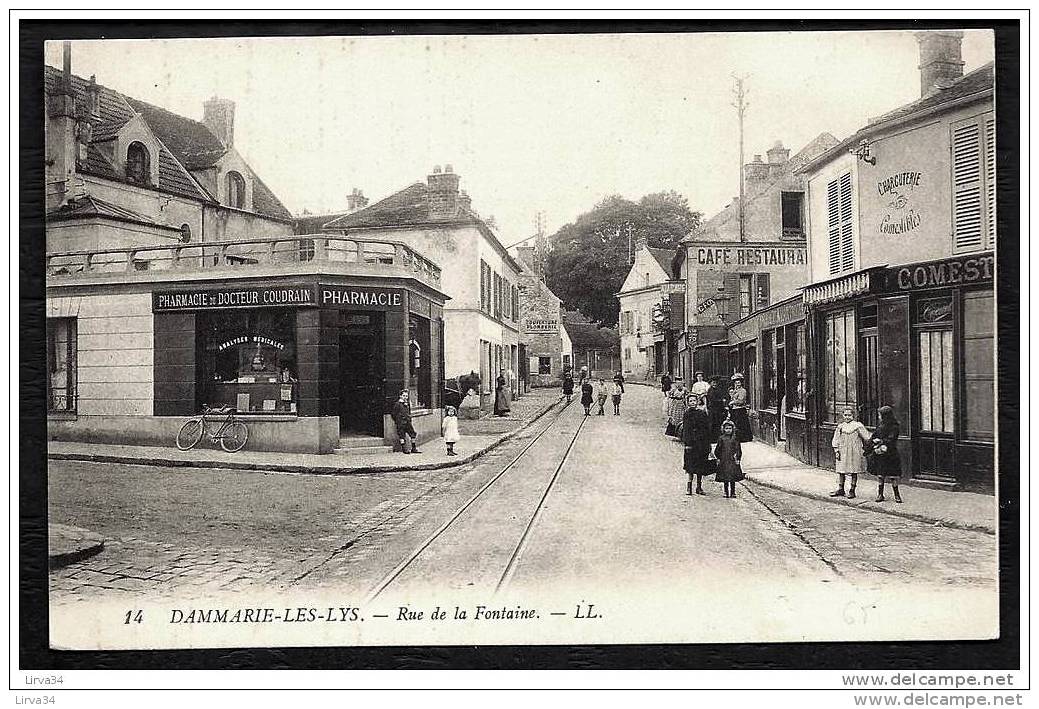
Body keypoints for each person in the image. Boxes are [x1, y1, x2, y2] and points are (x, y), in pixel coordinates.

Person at [830, 407, 870, 498]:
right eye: (845, 415)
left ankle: (852, 490)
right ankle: (841, 489)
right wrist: (836, 450)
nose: (847, 417)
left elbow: (866, 437)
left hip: (854, 451)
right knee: (841, 470)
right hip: (842, 450)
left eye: (849, 415)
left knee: (853, 470)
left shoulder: (857, 426)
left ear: (853, 416)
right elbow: (836, 439)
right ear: (843, 415)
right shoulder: (840, 427)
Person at [870, 405, 903, 503]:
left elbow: (892, 438)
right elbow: (874, 435)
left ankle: (897, 495)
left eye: (880, 414)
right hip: (881, 453)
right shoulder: (880, 425)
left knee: (893, 475)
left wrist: (881, 441)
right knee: (881, 475)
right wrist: (873, 440)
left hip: (891, 453)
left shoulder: (894, 426)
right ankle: (880, 494)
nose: (879, 416)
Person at [682, 394, 713, 495]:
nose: (692, 403)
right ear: (688, 403)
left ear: (697, 402)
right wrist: (687, 443)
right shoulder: (686, 414)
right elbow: (686, 430)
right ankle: (689, 486)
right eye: (690, 401)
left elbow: (706, 429)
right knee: (690, 467)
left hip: (701, 443)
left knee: (700, 466)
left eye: (694, 401)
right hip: (691, 444)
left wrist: (707, 444)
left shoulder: (702, 413)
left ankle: (699, 487)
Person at [713, 419, 744, 498]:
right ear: (723, 429)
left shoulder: (735, 438)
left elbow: (738, 449)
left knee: (732, 477)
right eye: (726, 428)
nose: (728, 430)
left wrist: (738, 458)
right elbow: (717, 449)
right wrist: (718, 458)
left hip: (732, 460)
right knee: (725, 477)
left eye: (730, 428)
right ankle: (726, 492)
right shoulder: (721, 438)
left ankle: (733, 492)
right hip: (724, 460)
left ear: (733, 429)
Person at [391, 389, 421, 454]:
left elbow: (409, 412)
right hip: (401, 423)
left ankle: (413, 448)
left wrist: (409, 418)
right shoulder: (397, 404)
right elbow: (393, 414)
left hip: (407, 422)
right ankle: (404, 449)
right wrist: (398, 421)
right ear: (400, 396)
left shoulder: (407, 404)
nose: (405, 397)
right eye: (404, 396)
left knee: (413, 434)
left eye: (406, 396)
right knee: (402, 435)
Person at [728, 374, 753, 442]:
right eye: (736, 383)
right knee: (735, 423)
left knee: (741, 424)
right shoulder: (735, 391)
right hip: (735, 409)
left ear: (741, 383)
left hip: (740, 409)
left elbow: (741, 401)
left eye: (738, 383)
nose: (737, 384)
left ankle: (743, 438)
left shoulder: (743, 391)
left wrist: (733, 402)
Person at [706, 375, 730, 440]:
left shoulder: (718, 389)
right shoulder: (710, 390)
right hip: (713, 409)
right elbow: (712, 400)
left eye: (716, 383)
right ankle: (713, 438)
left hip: (718, 409)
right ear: (710, 383)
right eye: (713, 383)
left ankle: (717, 437)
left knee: (718, 422)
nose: (715, 384)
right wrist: (721, 400)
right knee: (713, 423)